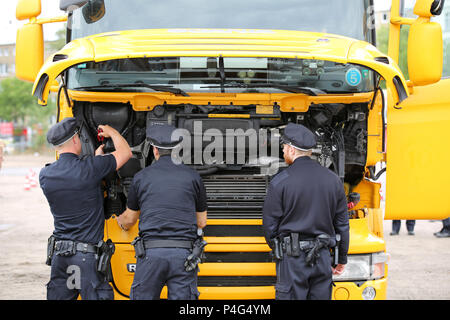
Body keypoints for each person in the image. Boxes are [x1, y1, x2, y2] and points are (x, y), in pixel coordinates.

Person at [39, 117, 132, 300]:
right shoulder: (90, 169)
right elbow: (126, 153)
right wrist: (111, 131)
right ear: (75, 139)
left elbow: (75, 184)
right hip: (86, 259)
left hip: (60, 257)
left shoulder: (46, 175)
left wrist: (96, 164)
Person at [116, 123, 208, 300]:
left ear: (155, 150)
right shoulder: (193, 177)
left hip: (151, 255)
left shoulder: (141, 177)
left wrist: (120, 220)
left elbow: (129, 220)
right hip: (184, 256)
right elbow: (201, 222)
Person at [262, 123, 349, 300]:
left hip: (292, 258)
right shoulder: (333, 180)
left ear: (292, 150)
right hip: (322, 256)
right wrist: (342, 258)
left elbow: (270, 225)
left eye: (284, 148)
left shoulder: (280, 181)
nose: (283, 152)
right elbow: (342, 224)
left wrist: (279, 249)